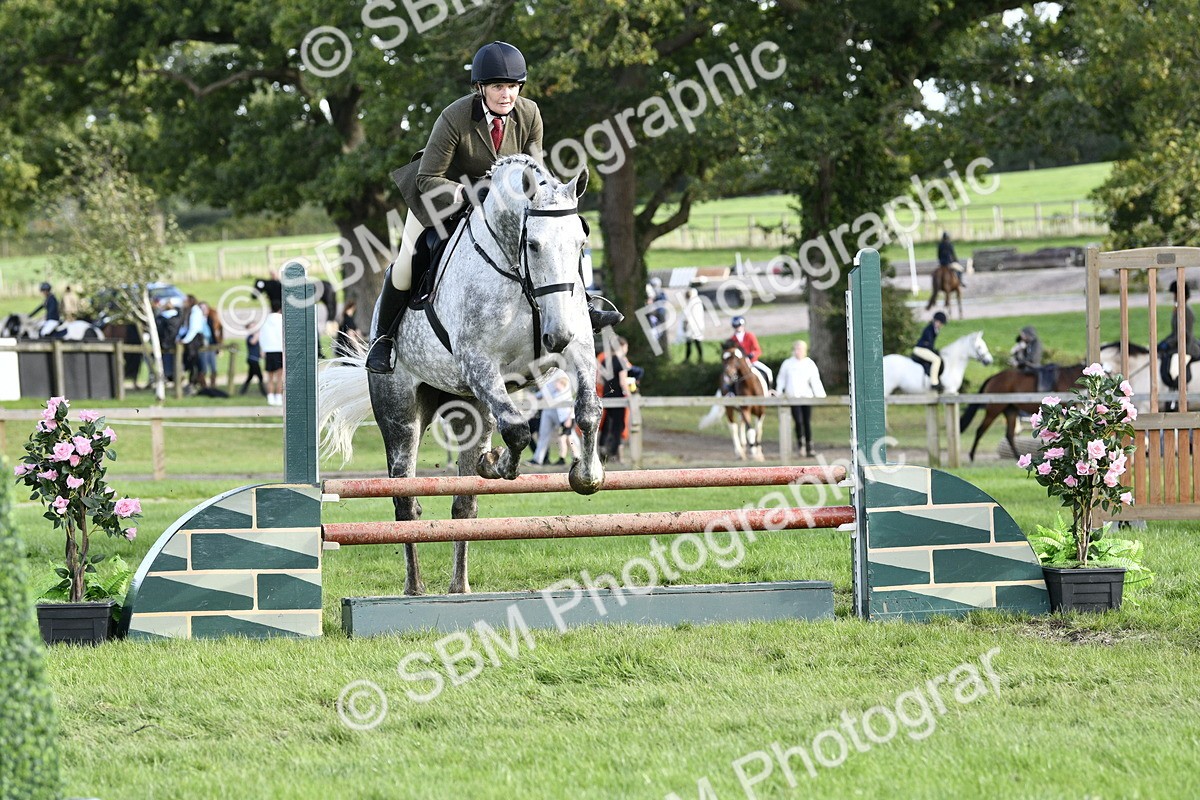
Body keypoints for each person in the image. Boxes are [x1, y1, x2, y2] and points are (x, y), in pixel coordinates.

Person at [371, 41, 622, 373]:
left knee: (555, 237)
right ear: (480, 88)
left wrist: (554, 200)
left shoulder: (529, 112)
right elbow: (428, 178)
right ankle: (384, 339)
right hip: (445, 195)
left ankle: (584, 306)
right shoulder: (455, 117)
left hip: (505, 203)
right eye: (499, 86)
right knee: (408, 260)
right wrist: (469, 193)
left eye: (513, 86)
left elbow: (536, 169)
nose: (507, 94)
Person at [775, 340, 826, 457]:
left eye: (801, 349)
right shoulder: (787, 363)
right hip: (793, 397)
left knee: (807, 421)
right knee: (798, 421)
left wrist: (820, 395)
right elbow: (781, 379)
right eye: (797, 349)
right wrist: (779, 392)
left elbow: (815, 380)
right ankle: (800, 445)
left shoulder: (809, 363)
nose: (799, 351)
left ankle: (809, 446)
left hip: (806, 397)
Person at [1157, 280, 1199, 390]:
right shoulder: (1179, 308)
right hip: (1178, 343)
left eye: (1175, 294)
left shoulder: (1186, 311)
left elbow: (1184, 334)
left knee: (1174, 371)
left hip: (1186, 347)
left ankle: (1177, 397)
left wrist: (1168, 343)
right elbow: (1175, 332)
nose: (1174, 296)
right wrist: (1165, 341)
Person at [598, 337, 631, 461]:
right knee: (618, 425)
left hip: (606, 396)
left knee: (606, 424)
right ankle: (613, 452)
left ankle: (601, 448)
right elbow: (623, 382)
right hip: (618, 397)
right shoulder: (621, 361)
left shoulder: (604, 360)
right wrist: (629, 395)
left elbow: (599, 380)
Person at [727, 316, 773, 388]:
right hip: (740, 365)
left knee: (768, 371)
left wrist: (753, 354)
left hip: (752, 362)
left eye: (739, 325)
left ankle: (770, 389)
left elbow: (757, 350)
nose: (738, 328)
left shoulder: (750, 336)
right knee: (730, 378)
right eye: (736, 326)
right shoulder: (732, 340)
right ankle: (731, 393)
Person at [177, 295, 209, 391]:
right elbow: (185, 327)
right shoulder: (189, 311)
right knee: (191, 362)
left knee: (194, 361)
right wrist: (179, 337)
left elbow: (193, 328)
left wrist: (185, 340)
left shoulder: (195, 311)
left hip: (194, 340)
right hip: (191, 338)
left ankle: (193, 383)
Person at [912, 311, 947, 392]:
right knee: (936, 360)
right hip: (920, 349)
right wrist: (933, 350)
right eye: (941, 323)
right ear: (937, 321)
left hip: (924, 348)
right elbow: (928, 343)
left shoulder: (934, 329)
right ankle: (934, 382)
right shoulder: (929, 329)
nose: (941, 326)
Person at [260, 303, 285, 406]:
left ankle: (270, 397)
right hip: (279, 350)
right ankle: (278, 397)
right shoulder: (282, 320)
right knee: (279, 377)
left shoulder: (265, 321)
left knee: (270, 377)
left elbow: (262, 335)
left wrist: (263, 349)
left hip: (269, 350)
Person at [679, 287, 706, 362]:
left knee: (696, 342)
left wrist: (686, 323)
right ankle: (688, 359)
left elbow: (689, 315)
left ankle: (700, 358)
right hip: (693, 326)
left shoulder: (694, 302)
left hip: (694, 326)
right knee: (689, 343)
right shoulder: (693, 301)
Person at [240, 328, 265, 396]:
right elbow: (253, 342)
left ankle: (242, 391)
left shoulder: (257, 339)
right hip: (252, 360)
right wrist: (257, 334)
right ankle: (264, 392)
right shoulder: (249, 337)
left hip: (256, 359)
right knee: (260, 376)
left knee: (250, 377)